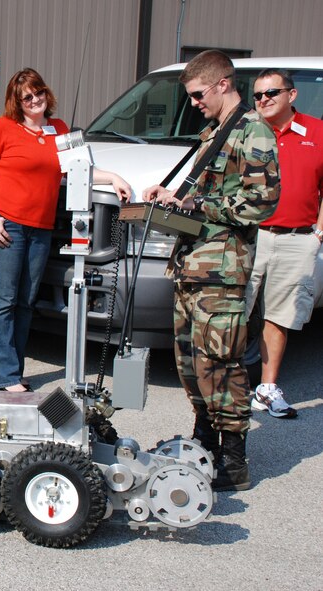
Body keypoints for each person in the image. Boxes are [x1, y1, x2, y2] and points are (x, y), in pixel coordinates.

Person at [142, 50, 280, 491]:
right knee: (190, 362)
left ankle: (233, 460)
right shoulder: (213, 131)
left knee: (222, 362)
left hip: (222, 269)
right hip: (192, 265)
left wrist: (196, 204)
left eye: (199, 94)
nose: (195, 102)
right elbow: (203, 196)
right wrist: (171, 198)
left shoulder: (251, 130)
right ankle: (205, 440)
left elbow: (262, 203)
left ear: (223, 83)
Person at [0, 68, 130, 393]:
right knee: (3, 299)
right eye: (26, 97)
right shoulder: (1, 128)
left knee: (26, 301)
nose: (34, 100)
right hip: (6, 224)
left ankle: (14, 370)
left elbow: (80, 169)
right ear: (16, 102)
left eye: (38, 92)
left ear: (46, 92)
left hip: (40, 229)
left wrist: (113, 177)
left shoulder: (59, 130)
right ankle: (7, 376)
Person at [245, 69, 323, 419]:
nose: (263, 100)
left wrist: (319, 233)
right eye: (258, 95)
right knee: (234, 313)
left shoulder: (317, 132)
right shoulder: (247, 131)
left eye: (271, 92)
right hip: (250, 237)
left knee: (278, 318)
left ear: (291, 95)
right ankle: (226, 389)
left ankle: (267, 389)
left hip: (297, 239)